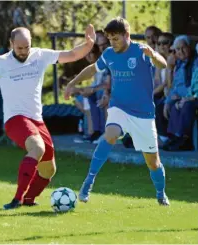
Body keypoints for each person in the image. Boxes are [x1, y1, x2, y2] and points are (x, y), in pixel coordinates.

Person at [0, 25, 96, 209]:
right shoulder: (0, 62)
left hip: (37, 120)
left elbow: (71, 54)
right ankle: (17, 199)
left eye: (26, 47)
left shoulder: (40, 55)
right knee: (37, 148)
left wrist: (88, 44)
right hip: (15, 119)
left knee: (48, 170)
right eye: (19, 48)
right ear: (11, 44)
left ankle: (29, 199)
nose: (23, 51)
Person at [65, 17, 170, 206]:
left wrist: (153, 55)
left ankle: (161, 194)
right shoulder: (108, 54)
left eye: (116, 39)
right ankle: (88, 182)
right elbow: (92, 69)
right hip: (118, 107)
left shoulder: (141, 51)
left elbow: (163, 64)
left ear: (127, 35)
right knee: (110, 135)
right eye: (110, 39)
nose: (112, 43)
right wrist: (73, 83)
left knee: (153, 163)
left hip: (144, 114)